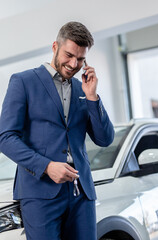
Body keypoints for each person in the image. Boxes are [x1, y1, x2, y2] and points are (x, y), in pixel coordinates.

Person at [0, 21, 114, 240]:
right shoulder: (23, 82)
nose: (73, 64)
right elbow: (5, 138)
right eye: (69, 55)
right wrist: (47, 166)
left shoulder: (84, 89)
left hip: (81, 193)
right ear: (55, 46)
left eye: (80, 59)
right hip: (40, 192)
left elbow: (104, 139)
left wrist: (92, 97)